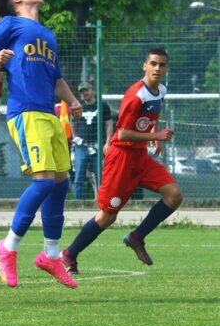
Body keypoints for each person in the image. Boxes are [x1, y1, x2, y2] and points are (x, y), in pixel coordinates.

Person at [0, 0, 81, 288]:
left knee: (61, 184)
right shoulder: (9, 24)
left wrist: (73, 101)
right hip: (26, 113)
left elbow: (57, 78)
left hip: (50, 114)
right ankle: (7, 248)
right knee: (44, 181)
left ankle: (49, 255)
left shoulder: (47, 34)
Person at [62, 48, 183, 274]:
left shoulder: (161, 90)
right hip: (122, 158)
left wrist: (154, 135)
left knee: (174, 195)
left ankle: (137, 237)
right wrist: (154, 136)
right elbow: (123, 134)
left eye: (162, 65)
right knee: (108, 216)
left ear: (166, 68)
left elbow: (149, 119)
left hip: (140, 158)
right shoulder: (136, 95)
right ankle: (69, 253)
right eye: (153, 64)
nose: (157, 68)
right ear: (144, 66)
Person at [71, 81, 113, 200]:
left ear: (93, 91)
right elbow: (72, 121)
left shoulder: (103, 105)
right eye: (82, 91)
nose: (84, 93)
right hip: (81, 145)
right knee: (79, 175)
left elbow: (109, 124)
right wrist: (75, 137)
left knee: (101, 175)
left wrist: (108, 142)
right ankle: (78, 204)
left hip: (98, 145)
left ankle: (103, 202)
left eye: (86, 90)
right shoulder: (78, 106)